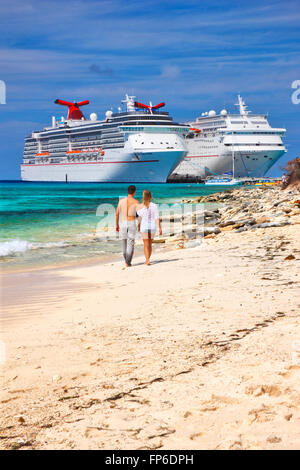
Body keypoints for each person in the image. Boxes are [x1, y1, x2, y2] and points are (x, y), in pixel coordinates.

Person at [116, 185, 139, 267]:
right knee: (131, 242)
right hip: (131, 222)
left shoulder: (121, 201)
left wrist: (116, 225)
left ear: (128, 192)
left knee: (124, 242)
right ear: (134, 192)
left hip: (123, 223)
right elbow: (139, 216)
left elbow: (117, 214)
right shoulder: (136, 202)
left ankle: (126, 260)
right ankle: (127, 262)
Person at [137, 190, 162, 266]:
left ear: (143, 197)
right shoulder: (154, 206)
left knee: (146, 245)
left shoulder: (140, 206)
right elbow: (157, 218)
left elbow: (139, 219)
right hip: (152, 227)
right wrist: (160, 228)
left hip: (144, 227)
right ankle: (148, 260)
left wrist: (138, 227)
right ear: (150, 196)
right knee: (150, 244)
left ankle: (147, 260)